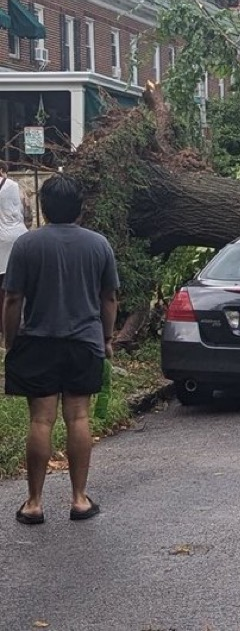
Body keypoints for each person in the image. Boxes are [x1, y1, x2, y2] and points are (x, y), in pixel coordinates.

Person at [3, 173, 119, 525]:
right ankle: (79, 499)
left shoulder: (27, 245)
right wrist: (107, 338)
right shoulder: (99, 245)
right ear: (80, 208)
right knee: (78, 417)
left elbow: (12, 298)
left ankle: (34, 502)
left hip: (37, 342)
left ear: (44, 207)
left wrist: (11, 342)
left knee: (40, 419)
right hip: (83, 342)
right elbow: (109, 297)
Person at [0, 160, 31, 341]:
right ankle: (19, 326)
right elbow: (28, 213)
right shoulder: (16, 186)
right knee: (18, 285)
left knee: (3, 288)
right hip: (19, 236)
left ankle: (4, 331)